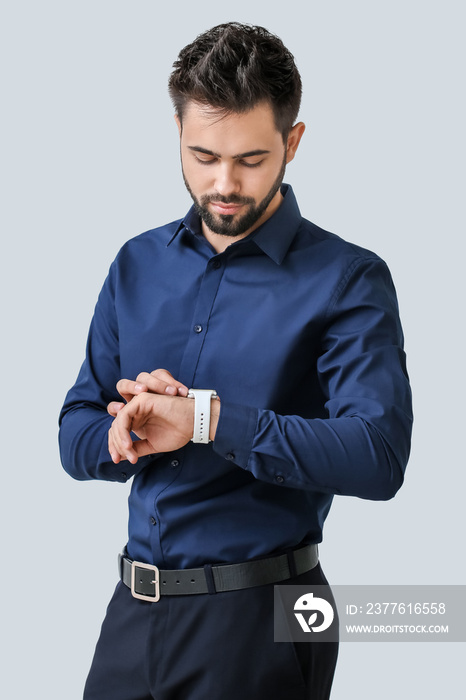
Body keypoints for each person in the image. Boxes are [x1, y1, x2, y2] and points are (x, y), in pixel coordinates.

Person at [59, 22, 412, 700]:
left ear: (293, 142)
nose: (223, 183)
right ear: (178, 133)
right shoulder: (136, 264)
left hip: (266, 618)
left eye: (250, 159)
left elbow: (379, 453)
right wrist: (120, 431)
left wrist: (204, 419)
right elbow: (74, 426)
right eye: (202, 155)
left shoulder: (347, 279)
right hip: (132, 614)